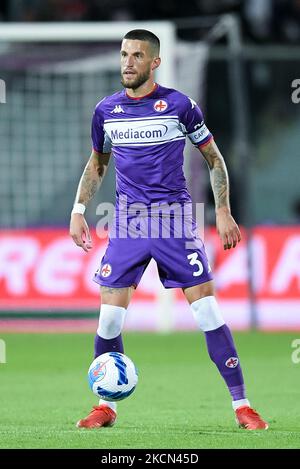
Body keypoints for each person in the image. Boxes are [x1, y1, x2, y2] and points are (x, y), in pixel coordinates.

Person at [70, 29, 268, 431]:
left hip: (175, 221)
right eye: (124, 54)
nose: (127, 62)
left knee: (207, 312)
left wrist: (224, 210)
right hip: (126, 223)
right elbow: (97, 164)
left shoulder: (179, 105)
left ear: (154, 62)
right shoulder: (106, 110)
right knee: (108, 321)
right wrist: (78, 209)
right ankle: (105, 405)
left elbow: (213, 159)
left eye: (137, 55)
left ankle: (242, 405)